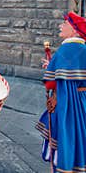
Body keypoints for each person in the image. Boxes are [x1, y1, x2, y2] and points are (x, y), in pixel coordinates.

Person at [36, 11, 86, 172]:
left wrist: (55, 97)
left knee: (68, 136)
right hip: (82, 99)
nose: (60, 26)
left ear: (74, 30)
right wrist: (53, 67)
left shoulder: (68, 49)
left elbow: (54, 83)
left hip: (70, 103)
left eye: (64, 23)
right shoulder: (82, 48)